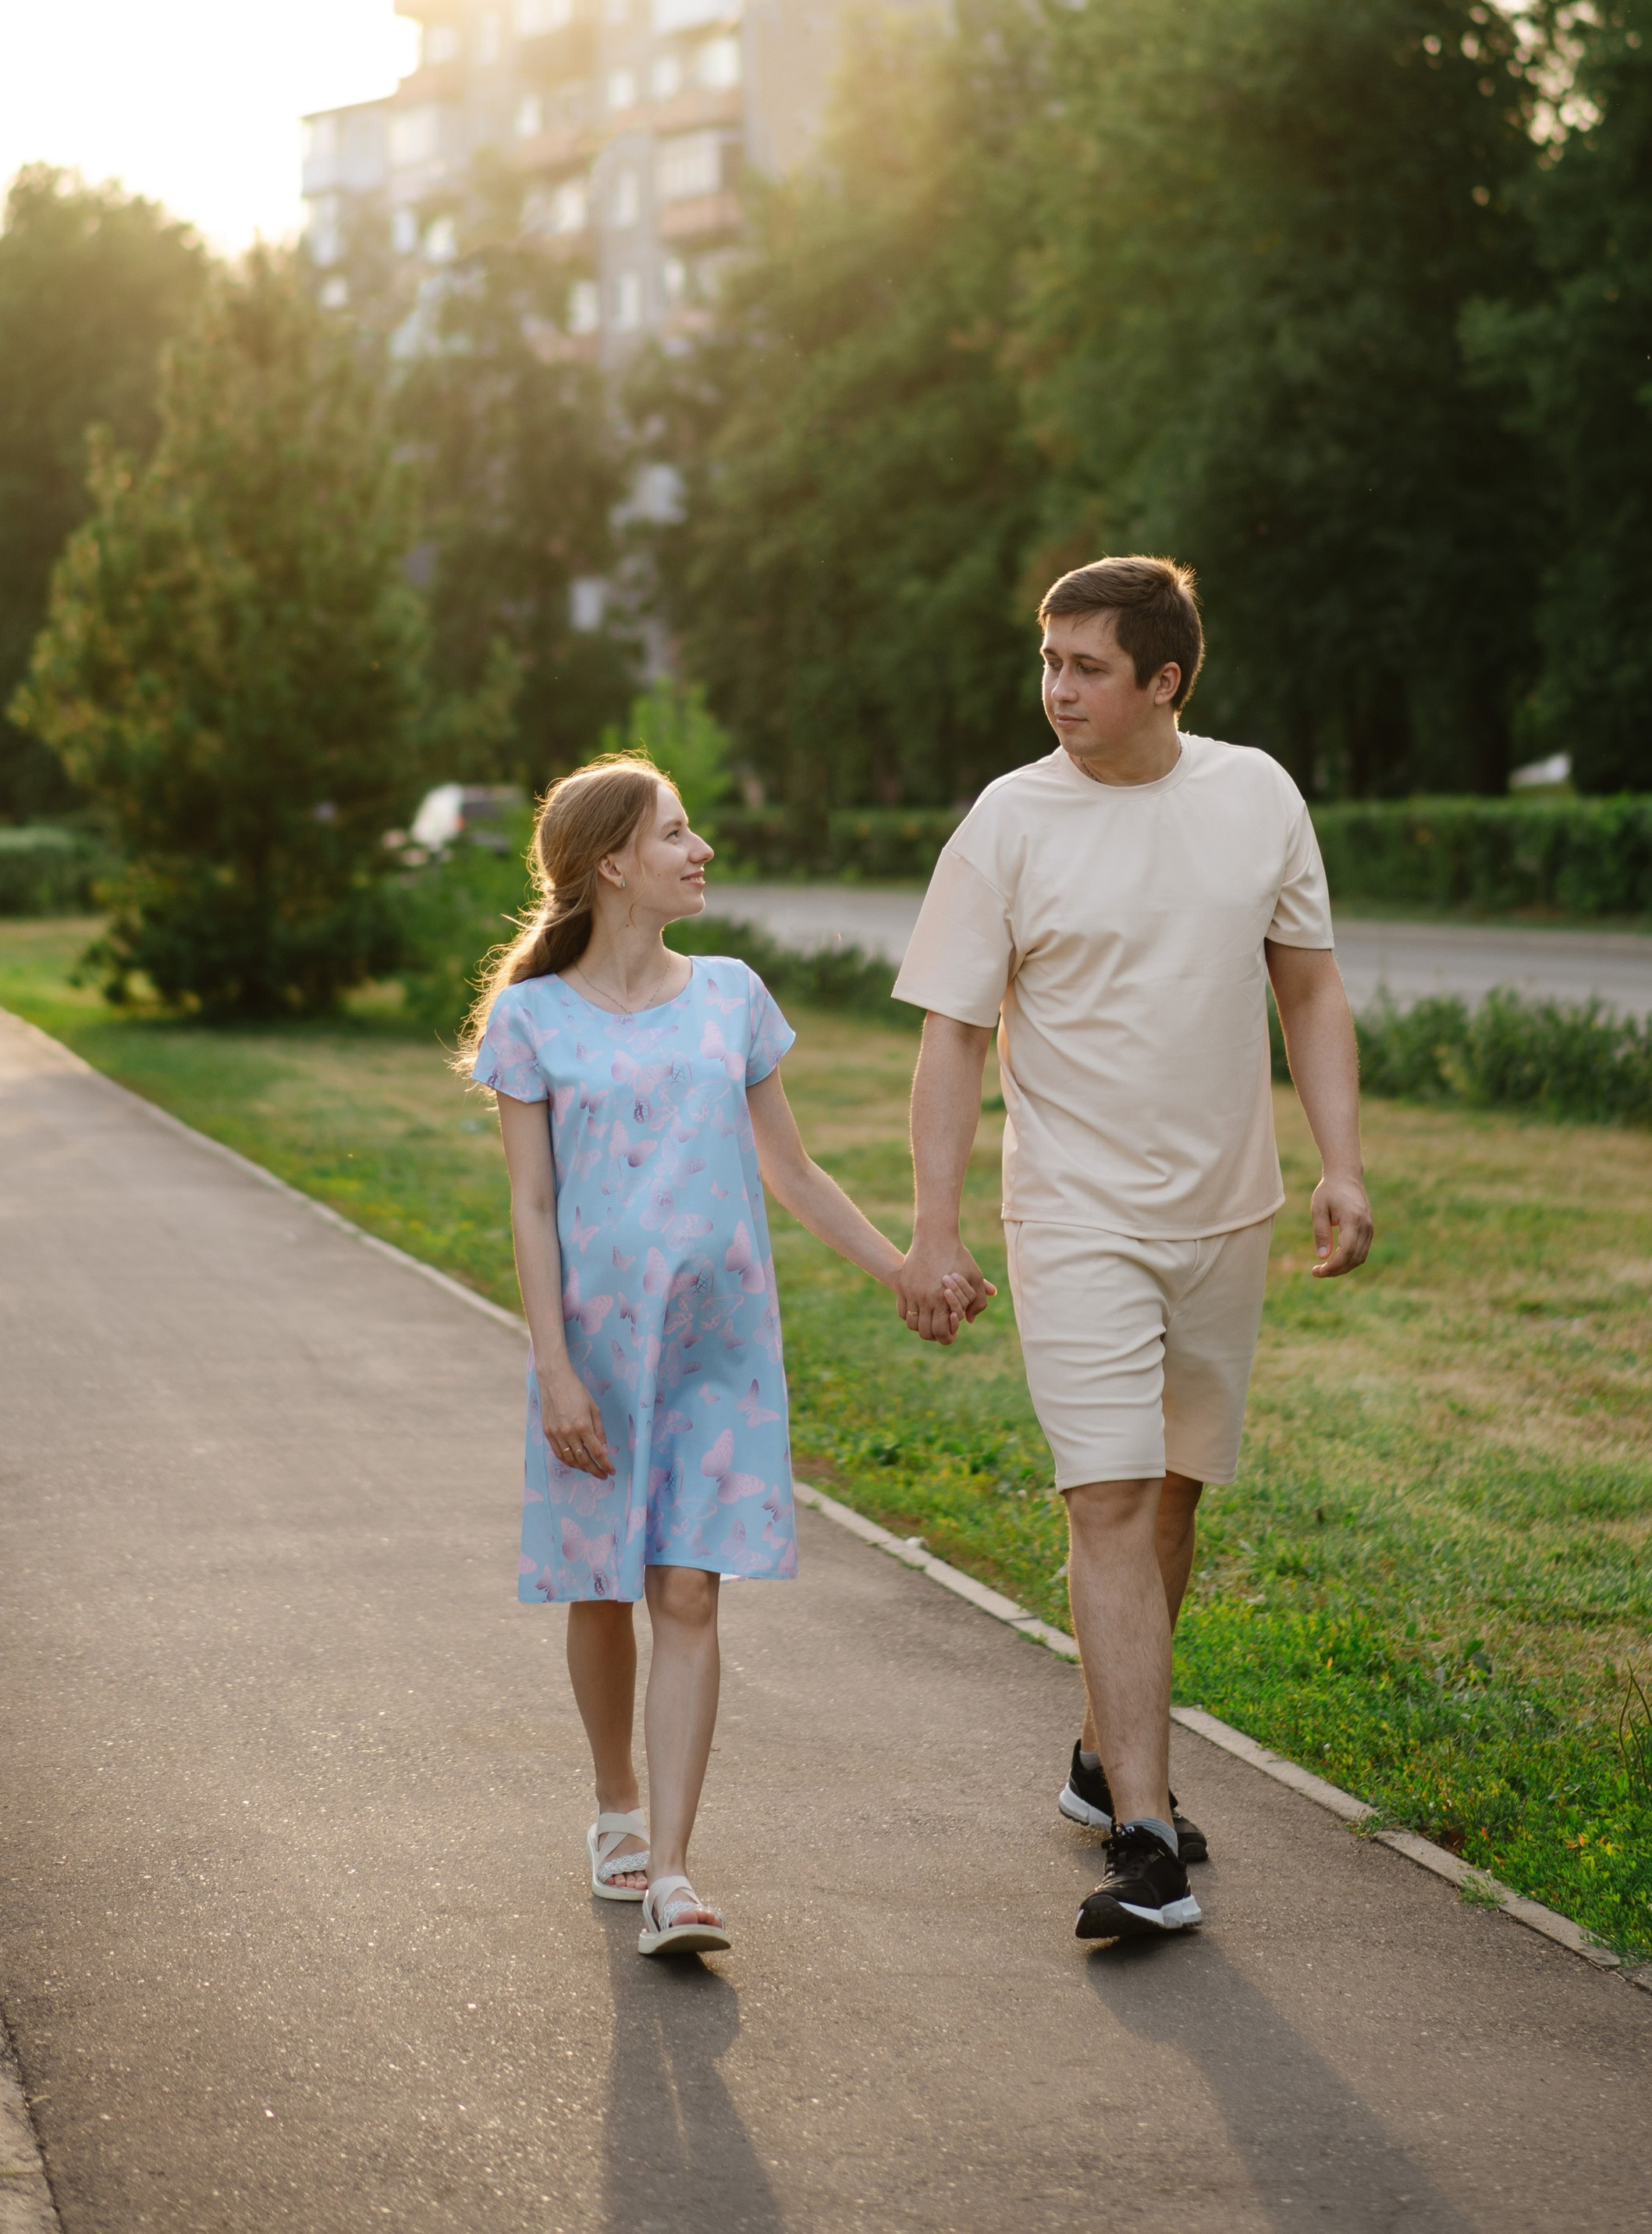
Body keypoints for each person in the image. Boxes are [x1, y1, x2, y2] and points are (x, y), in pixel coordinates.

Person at [891, 556, 1373, 1943]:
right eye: (1048, 662)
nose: (1057, 690)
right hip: (1076, 1216)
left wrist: (1341, 1161)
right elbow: (952, 1039)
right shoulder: (1008, 821)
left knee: (1173, 1496)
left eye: (1087, 667)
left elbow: (1310, 982)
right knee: (1103, 1498)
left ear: (1165, 680)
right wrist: (935, 1224)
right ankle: (1146, 1835)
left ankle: (1105, 1748)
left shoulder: (1257, 793)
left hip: (1229, 1212)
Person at [463, 751, 915, 1957]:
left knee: (688, 1586)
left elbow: (794, 1170)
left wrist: (903, 1268)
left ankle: (670, 1868)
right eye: (676, 832)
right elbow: (530, 1205)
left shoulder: (733, 996)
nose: (700, 846)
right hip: (596, 1354)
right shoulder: (532, 1018)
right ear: (613, 863)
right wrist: (553, 1366)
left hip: (721, 1347)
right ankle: (615, 1802)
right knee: (605, 1586)